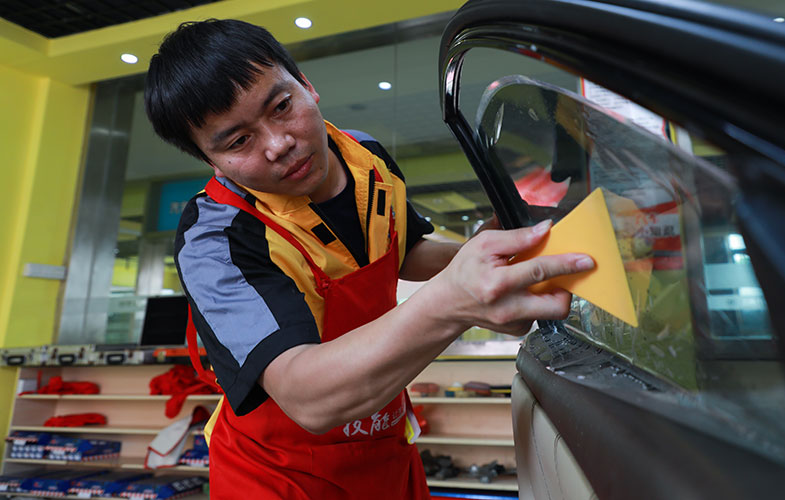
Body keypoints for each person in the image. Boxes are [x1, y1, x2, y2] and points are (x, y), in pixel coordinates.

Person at [144, 19, 594, 500]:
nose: (279, 144)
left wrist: (484, 252)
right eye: (238, 142)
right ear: (211, 161)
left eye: (281, 106)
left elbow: (404, 251)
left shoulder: (366, 156)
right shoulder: (216, 237)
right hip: (277, 475)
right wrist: (454, 302)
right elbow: (306, 397)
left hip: (384, 445)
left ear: (306, 85)